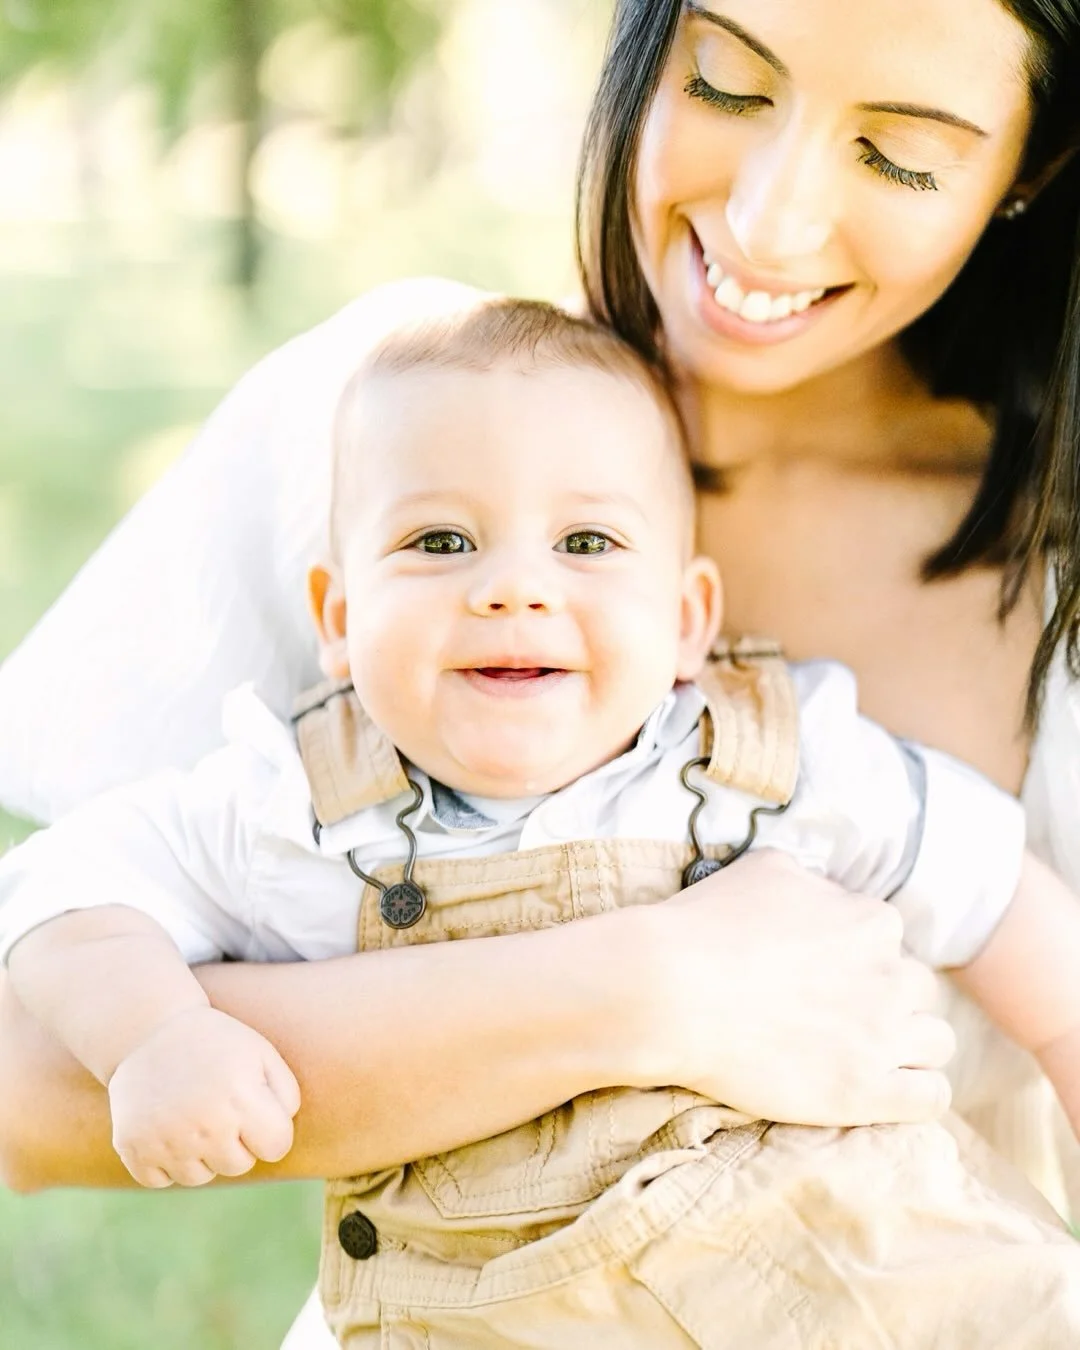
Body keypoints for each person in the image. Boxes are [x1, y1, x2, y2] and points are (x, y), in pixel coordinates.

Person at [2, 0, 1080, 1343]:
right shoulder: (396, 417)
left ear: (1032, 163)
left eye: (902, 157)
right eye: (727, 85)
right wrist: (652, 993)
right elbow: (27, 1085)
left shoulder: (1043, 575)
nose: (767, 221)